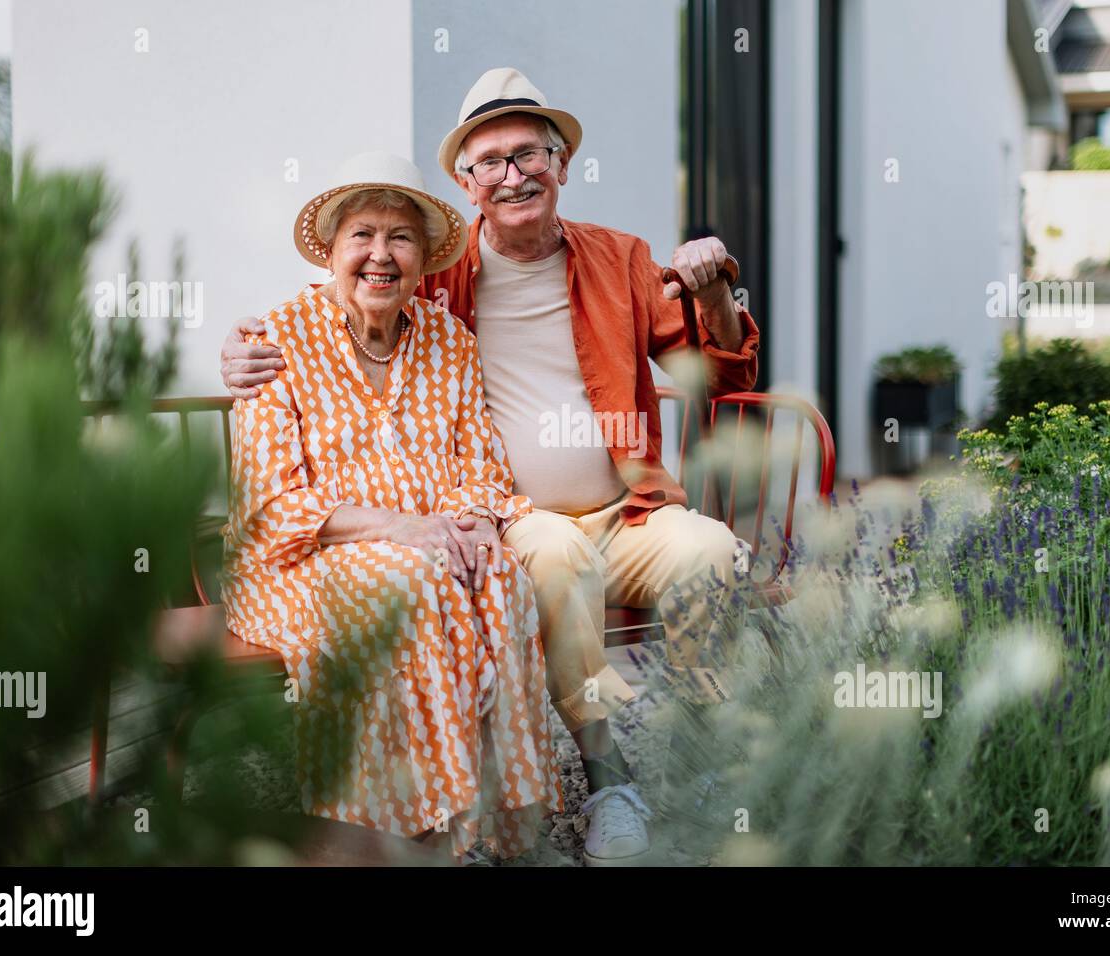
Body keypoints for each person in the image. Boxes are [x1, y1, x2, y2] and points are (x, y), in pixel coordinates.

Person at [221, 68, 759, 866]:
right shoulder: (442, 276)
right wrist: (241, 347)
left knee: (712, 552)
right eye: (492, 163)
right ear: (467, 186)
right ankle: (607, 781)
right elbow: (359, 277)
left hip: (633, 512)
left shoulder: (622, 260)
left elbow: (720, 376)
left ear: (561, 164)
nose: (513, 176)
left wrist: (716, 292)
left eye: (529, 154)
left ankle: (712, 757)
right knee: (547, 555)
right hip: (522, 523)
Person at [221, 151, 560, 862]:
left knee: (499, 575)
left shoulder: (449, 340)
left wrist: (467, 525)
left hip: (431, 540)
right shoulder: (277, 340)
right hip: (306, 560)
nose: (381, 254)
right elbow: (272, 504)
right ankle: (408, 832)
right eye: (362, 236)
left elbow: (482, 460)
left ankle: (506, 827)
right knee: (407, 582)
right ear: (334, 251)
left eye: (400, 238)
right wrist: (403, 529)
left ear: (421, 258)